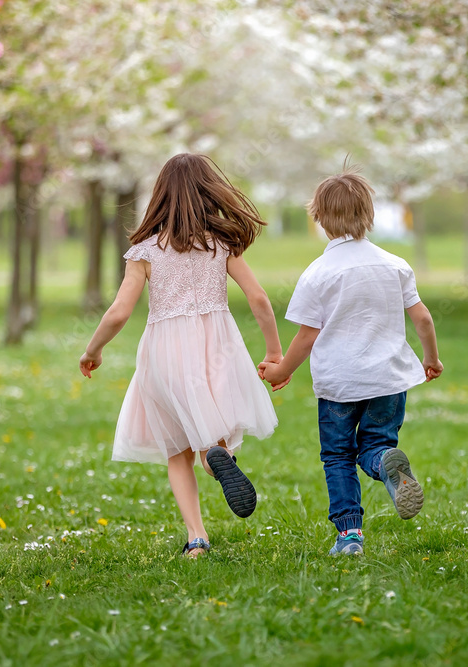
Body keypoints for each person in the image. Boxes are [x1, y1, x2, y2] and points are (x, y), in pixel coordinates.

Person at [79, 153, 281, 558]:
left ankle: (197, 538)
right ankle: (218, 458)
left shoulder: (145, 251)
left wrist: (92, 351)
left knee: (177, 450)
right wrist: (275, 351)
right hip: (218, 344)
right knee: (211, 437)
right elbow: (258, 297)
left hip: (166, 352)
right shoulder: (221, 243)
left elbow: (119, 312)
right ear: (209, 193)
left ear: (160, 196)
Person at [259, 165, 443, 556]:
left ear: (321, 220)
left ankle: (349, 536)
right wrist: (430, 359)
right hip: (389, 379)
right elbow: (423, 318)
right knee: (376, 442)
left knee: (338, 455)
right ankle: (383, 463)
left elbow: (306, 337)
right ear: (370, 215)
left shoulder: (318, 273)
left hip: (340, 383)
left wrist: (281, 370)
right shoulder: (395, 265)